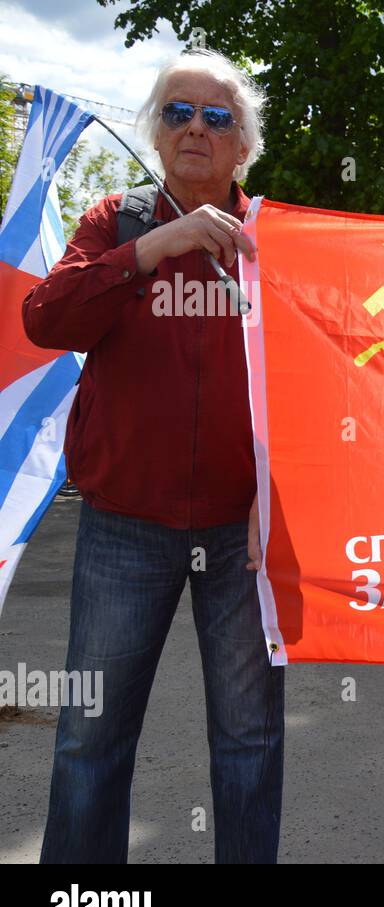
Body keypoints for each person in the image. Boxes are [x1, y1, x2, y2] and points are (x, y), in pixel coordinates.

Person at [23, 50, 281, 863]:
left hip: (246, 531)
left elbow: (327, 378)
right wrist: (151, 248)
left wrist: (281, 492)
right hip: (122, 525)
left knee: (249, 743)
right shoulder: (115, 222)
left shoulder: (279, 239)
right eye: (177, 112)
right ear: (156, 132)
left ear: (243, 146)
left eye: (217, 117)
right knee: (89, 739)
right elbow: (44, 319)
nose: (195, 128)